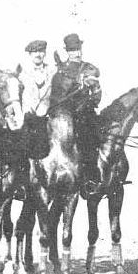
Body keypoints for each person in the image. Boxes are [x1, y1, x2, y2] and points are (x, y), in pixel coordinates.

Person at [50, 33, 102, 183]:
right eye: (73, 50)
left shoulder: (88, 69)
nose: (77, 53)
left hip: (85, 114)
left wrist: (91, 98)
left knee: (92, 138)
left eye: (78, 49)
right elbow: (56, 97)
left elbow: (97, 95)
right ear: (67, 51)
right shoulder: (60, 72)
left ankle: (90, 179)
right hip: (64, 114)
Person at [19, 39, 51, 117]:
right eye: (35, 52)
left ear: (45, 53)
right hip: (28, 117)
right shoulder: (22, 74)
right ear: (30, 54)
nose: (38, 55)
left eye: (41, 51)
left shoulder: (52, 72)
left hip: (48, 115)